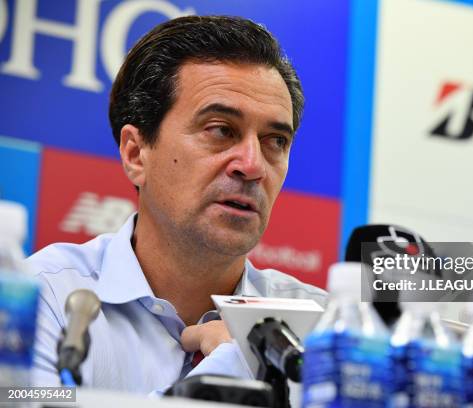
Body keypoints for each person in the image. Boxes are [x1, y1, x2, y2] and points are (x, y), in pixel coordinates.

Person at [26, 15, 327, 393]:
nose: (252, 166)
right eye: (221, 130)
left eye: (275, 141)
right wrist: (222, 377)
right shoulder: (39, 301)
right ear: (136, 154)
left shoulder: (324, 333)